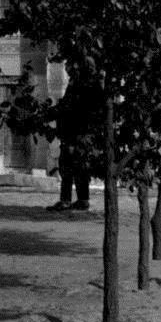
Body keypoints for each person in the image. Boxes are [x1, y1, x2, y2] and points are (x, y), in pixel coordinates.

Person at [51, 60, 105, 212]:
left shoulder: (81, 87)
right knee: (79, 167)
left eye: (70, 69)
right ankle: (82, 200)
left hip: (76, 132)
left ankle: (67, 200)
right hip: (79, 132)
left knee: (68, 166)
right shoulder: (84, 85)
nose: (68, 72)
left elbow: (71, 109)